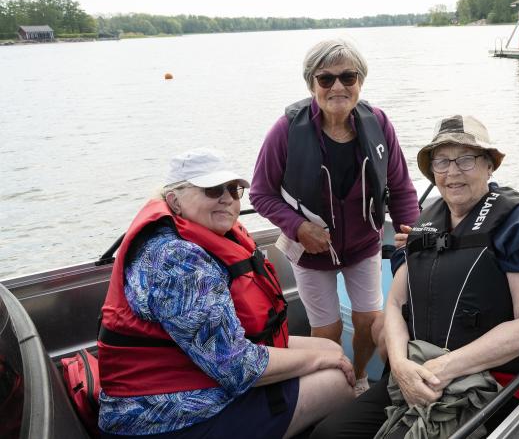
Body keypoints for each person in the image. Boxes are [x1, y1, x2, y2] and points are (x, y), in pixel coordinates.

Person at [311, 115, 519, 438]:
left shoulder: (517, 225)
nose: (452, 172)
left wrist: (443, 368)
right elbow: (395, 303)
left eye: (466, 159)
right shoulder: (428, 220)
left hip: (478, 384)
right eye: (442, 161)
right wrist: (399, 364)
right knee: (328, 433)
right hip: (414, 370)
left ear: (489, 165)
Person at [97, 148, 355, 438]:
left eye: (233, 190)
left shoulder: (196, 235)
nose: (227, 198)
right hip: (165, 419)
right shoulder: (175, 260)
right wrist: (320, 361)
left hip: (197, 373)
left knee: (333, 350)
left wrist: (326, 356)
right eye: (211, 190)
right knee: (337, 379)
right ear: (174, 201)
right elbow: (237, 367)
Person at [250, 39, 420, 395]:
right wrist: (298, 227)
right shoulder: (286, 130)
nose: (338, 87)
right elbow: (260, 193)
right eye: (326, 79)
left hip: (363, 244)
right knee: (325, 331)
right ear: (311, 84)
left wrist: (414, 241)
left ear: (360, 81)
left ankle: (357, 379)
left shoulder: (379, 124)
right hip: (310, 251)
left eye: (348, 76)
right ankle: (329, 388)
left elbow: (401, 188)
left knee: (369, 320)